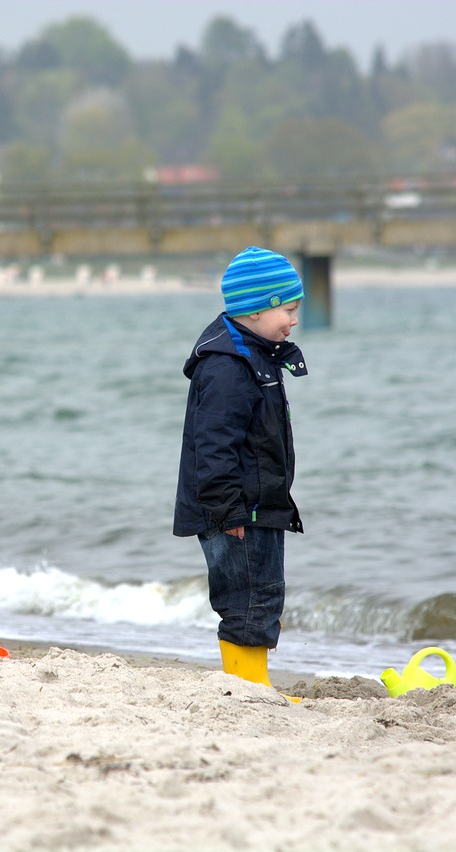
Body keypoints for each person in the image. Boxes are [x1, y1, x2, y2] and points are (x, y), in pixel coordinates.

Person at [173, 246, 308, 688]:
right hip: (237, 511)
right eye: (287, 310)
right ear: (256, 310)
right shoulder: (230, 366)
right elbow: (213, 446)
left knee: (260, 597)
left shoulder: (257, 354)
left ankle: (247, 683)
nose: (293, 320)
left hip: (258, 504)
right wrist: (227, 509)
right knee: (249, 602)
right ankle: (248, 688)